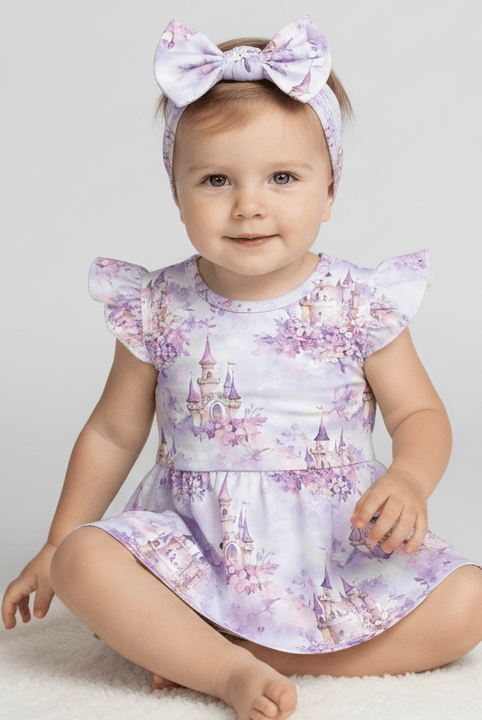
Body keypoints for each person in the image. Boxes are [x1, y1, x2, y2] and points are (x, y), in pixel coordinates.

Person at [2, 14, 482, 720]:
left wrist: (410, 478)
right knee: (83, 560)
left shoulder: (358, 302)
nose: (249, 205)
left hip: (333, 541)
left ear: (329, 192)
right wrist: (55, 540)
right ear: (177, 194)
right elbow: (111, 431)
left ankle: (241, 652)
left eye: (282, 177)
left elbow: (420, 413)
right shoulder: (158, 306)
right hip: (196, 546)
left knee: (469, 601)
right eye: (216, 179)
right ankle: (223, 665)